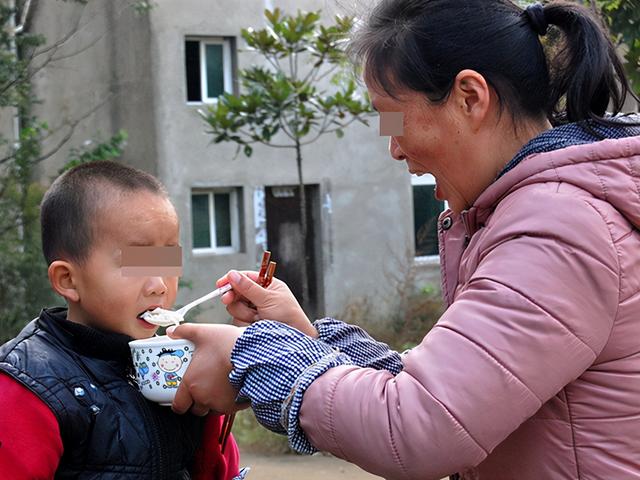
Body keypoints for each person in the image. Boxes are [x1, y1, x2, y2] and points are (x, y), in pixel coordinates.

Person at [167, 1, 640, 479]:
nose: (394, 148)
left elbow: (419, 426)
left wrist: (251, 357)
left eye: (392, 118)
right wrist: (301, 339)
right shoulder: (538, 215)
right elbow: (452, 393)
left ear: (470, 98)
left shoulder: (558, 228)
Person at [0, 161, 243, 479]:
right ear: (68, 280)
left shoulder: (181, 365)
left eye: (168, 259)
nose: (159, 284)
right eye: (137, 261)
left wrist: (213, 410)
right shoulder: (25, 385)